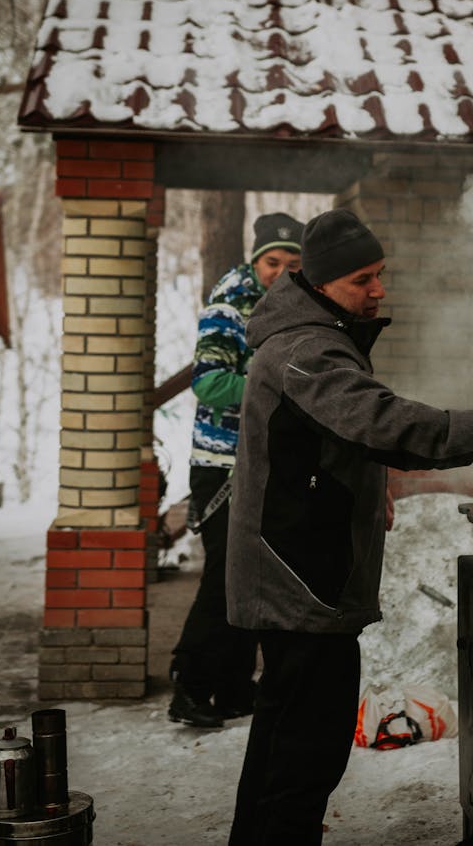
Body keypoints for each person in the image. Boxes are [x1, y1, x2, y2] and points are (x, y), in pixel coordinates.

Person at [224, 208, 473, 843]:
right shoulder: (304, 348)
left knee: (281, 747)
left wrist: (369, 487)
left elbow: (326, 436)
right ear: (319, 285)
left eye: (381, 274)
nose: (378, 289)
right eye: (361, 280)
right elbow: (375, 417)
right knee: (303, 757)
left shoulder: (314, 335)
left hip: (297, 572)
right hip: (296, 582)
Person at [168, 212, 304, 728]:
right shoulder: (230, 304)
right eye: (273, 261)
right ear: (256, 260)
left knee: (251, 577)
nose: (282, 271)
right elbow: (208, 382)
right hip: (222, 465)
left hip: (261, 462)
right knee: (227, 577)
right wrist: (272, 384)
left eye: (293, 263)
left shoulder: (293, 303)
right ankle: (191, 684)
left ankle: (232, 688)